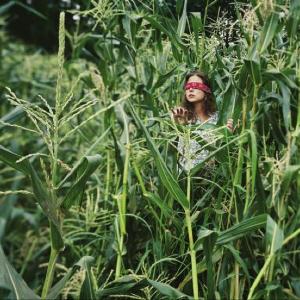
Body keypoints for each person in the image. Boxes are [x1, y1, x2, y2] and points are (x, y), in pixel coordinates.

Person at [171, 70, 233, 173]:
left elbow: (223, 152)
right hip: (185, 180)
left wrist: (228, 136)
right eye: (188, 86)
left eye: (195, 86)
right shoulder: (182, 115)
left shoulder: (219, 119)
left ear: (206, 90)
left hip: (212, 181)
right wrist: (180, 126)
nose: (191, 89)